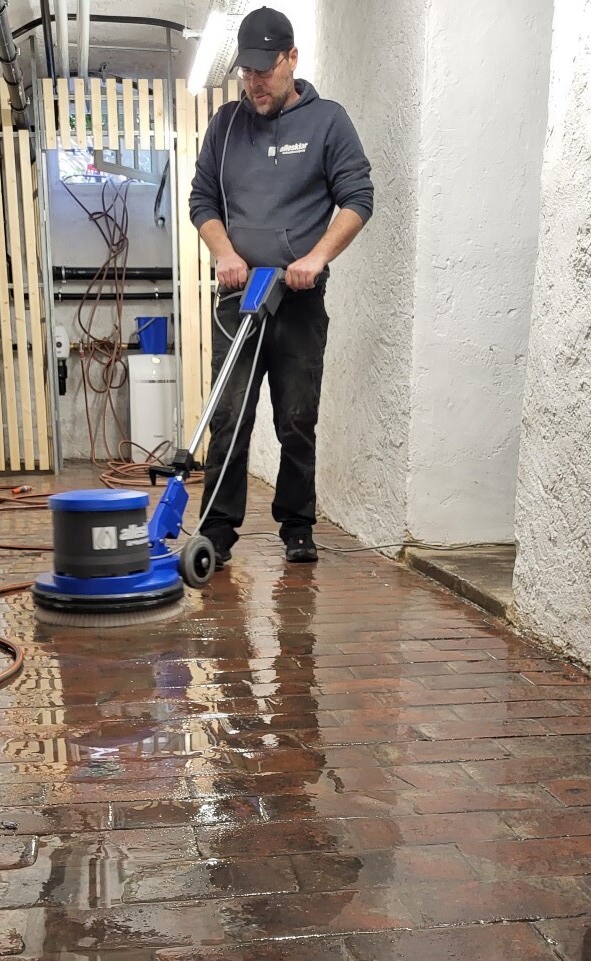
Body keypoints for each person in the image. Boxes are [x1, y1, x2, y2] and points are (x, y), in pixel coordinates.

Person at [188, 6, 373, 567]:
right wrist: (224, 253)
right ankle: (217, 530)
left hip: (298, 300)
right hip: (238, 299)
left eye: (264, 70)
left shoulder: (328, 122)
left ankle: (297, 526)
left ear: (292, 58)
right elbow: (203, 200)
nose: (254, 82)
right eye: (246, 72)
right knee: (229, 416)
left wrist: (316, 257)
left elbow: (357, 199)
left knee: (296, 416)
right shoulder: (225, 126)